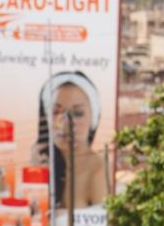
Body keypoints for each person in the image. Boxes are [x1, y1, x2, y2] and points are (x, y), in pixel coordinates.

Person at [32, 71, 108, 210]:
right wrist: (37, 178)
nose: (66, 123)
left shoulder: (98, 169)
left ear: (93, 119)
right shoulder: (40, 162)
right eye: (56, 112)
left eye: (78, 113)